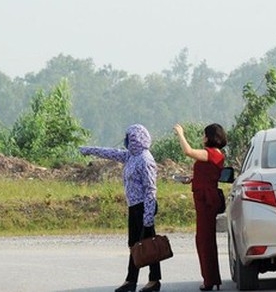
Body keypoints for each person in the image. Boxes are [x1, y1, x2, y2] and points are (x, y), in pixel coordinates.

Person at [80, 124, 161, 292]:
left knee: (140, 243)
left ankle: (132, 281)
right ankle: (152, 280)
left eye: (129, 137)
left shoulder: (145, 160)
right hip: (134, 206)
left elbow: (151, 189)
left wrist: (147, 217)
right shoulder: (131, 156)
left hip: (144, 206)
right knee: (144, 244)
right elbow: (111, 153)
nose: (126, 140)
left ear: (136, 139)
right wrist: (89, 150)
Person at [173, 123, 227, 291]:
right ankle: (211, 278)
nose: (202, 138)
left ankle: (209, 280)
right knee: (205, 240)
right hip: (205, 198)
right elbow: (207, 174)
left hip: (206, 200)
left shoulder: (211, 153)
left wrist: (180, 134)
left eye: (204, 135)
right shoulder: (216, 155)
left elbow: (188, 151)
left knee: (204, 241)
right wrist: (192, 178)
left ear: (210, 137)